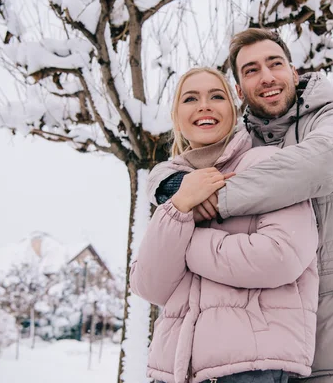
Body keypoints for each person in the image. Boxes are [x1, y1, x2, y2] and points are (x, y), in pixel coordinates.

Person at [147, 30, 333, 383]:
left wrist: (210, 200)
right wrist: (169, 187)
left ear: (294, 72)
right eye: (250, 70)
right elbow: (182, 162)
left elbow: (321, 163)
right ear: (239, 91)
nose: (266, 77)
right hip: (264, 335)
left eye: (274, 64)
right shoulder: (242, 140)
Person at [130, 67, 320, 383]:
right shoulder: (173, 191)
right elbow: (149, 285)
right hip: (173, 371)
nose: (204, 105)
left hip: (252, 367)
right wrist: (179, 206)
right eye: (191, 98)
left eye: (216, 96)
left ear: (234, 110)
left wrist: (183, 243)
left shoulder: (267, 164)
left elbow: (280, 258)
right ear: (177, 117)